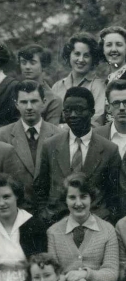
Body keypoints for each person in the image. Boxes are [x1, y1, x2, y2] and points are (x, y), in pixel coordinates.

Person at [35, 87, 120, 221]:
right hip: (56, 222)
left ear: (92, 112)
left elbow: (114, 196)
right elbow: (41, 189)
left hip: (95, 224)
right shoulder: (50, 145)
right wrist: (45, 215)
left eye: (79, 110)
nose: (73, 115)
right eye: (68, 110)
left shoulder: (109, 149)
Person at [51, 173, 119, 281]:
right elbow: (53, 275)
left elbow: (112, 274)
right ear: (65, 200)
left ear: (91, 198)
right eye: (72, 197)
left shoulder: (107, 229)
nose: (78, 203)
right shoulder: (53, 232)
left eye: (83, 196)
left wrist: (85, 275)